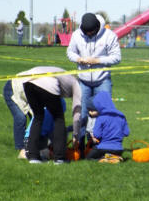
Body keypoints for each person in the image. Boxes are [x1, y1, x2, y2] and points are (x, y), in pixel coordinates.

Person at [67, 12, 121, 154]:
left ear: (97, 27)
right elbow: (70, 52)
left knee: (104, 113)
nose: (89, 34)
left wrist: (97, 60)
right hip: (83, 81)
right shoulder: (76, 35)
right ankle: (79, 146)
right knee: (81, 114)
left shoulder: (109, 35)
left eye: (91, 32)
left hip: (103, 80)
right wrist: (78, 59)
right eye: (86, 32)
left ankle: (102, 146)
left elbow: (117, 57)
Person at [19, 66, 82, 164]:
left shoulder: (65, 76)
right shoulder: (76, 84)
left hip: (27, 82)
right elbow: (77, 113)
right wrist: (76, 135)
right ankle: (60, 158)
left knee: (38, 116)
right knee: (58, 118)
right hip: (47, 82)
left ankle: (33, 157)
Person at [85, 91, 130, 161]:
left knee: (89, 158)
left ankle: (105, 159)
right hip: (119, 149)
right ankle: (115, 158)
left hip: (102, 148)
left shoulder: (101, 117)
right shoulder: (121, 116)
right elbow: (126, 133)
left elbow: (97, 135)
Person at [3, 78, 32, 159]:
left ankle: (40, 146)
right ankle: (22, 149)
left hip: (27, 93)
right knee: (20, 118)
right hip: (13, 89)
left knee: (39, 119)